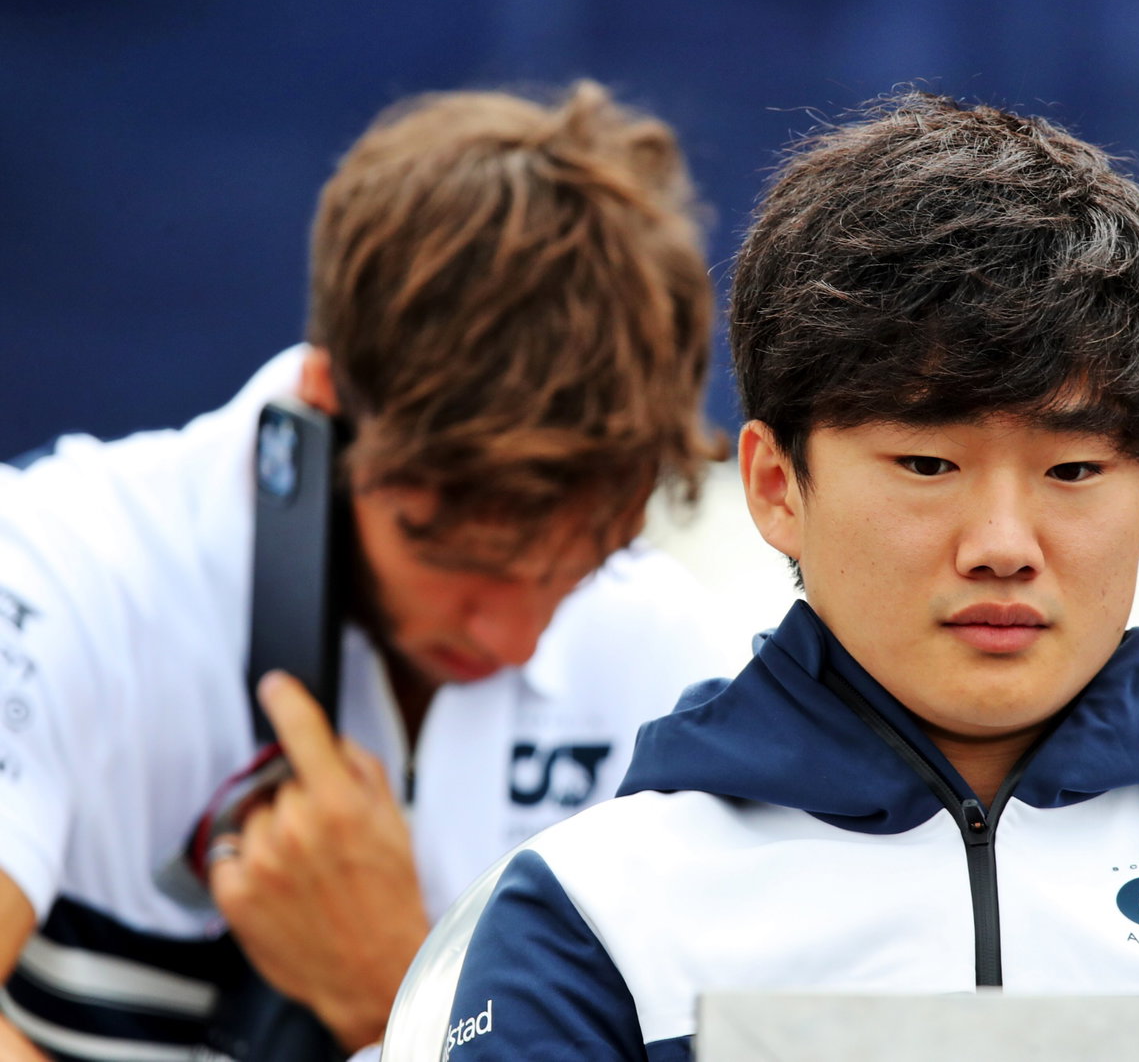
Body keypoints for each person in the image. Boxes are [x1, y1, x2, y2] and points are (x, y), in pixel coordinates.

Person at [436, 90, 1139, 1060]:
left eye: (1070, 468)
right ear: (776, 485)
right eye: (927, 463)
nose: (1003, 541)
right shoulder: (597, 914)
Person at [0, 82, 746, 1060]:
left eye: (579, 564)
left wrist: (400, 992)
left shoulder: (674, 673)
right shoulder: (55, 570)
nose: (512, 635)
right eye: (457, 555)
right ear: (327, 402)